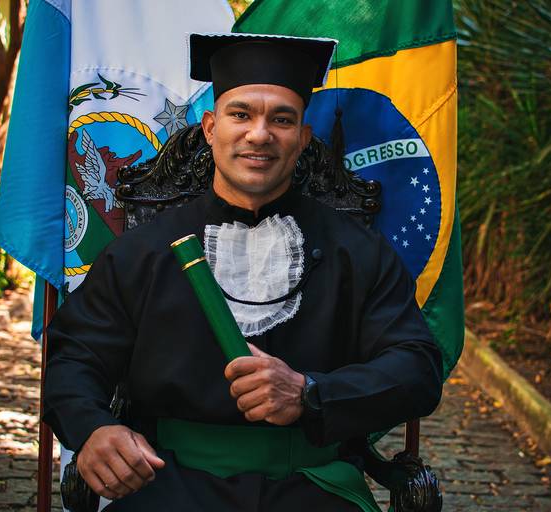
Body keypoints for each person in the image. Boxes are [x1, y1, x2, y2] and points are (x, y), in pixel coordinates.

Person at [43, 33, 443, 512]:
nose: (259, 134)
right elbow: (74, 356)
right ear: (211, 127)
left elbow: (417, 368)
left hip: (314, 486)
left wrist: (311, 393)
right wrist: (92, 428)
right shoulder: (142, 251)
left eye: (281, 119)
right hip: (170, 486)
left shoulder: (357, 252)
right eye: (241, 114)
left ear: (303, 137)